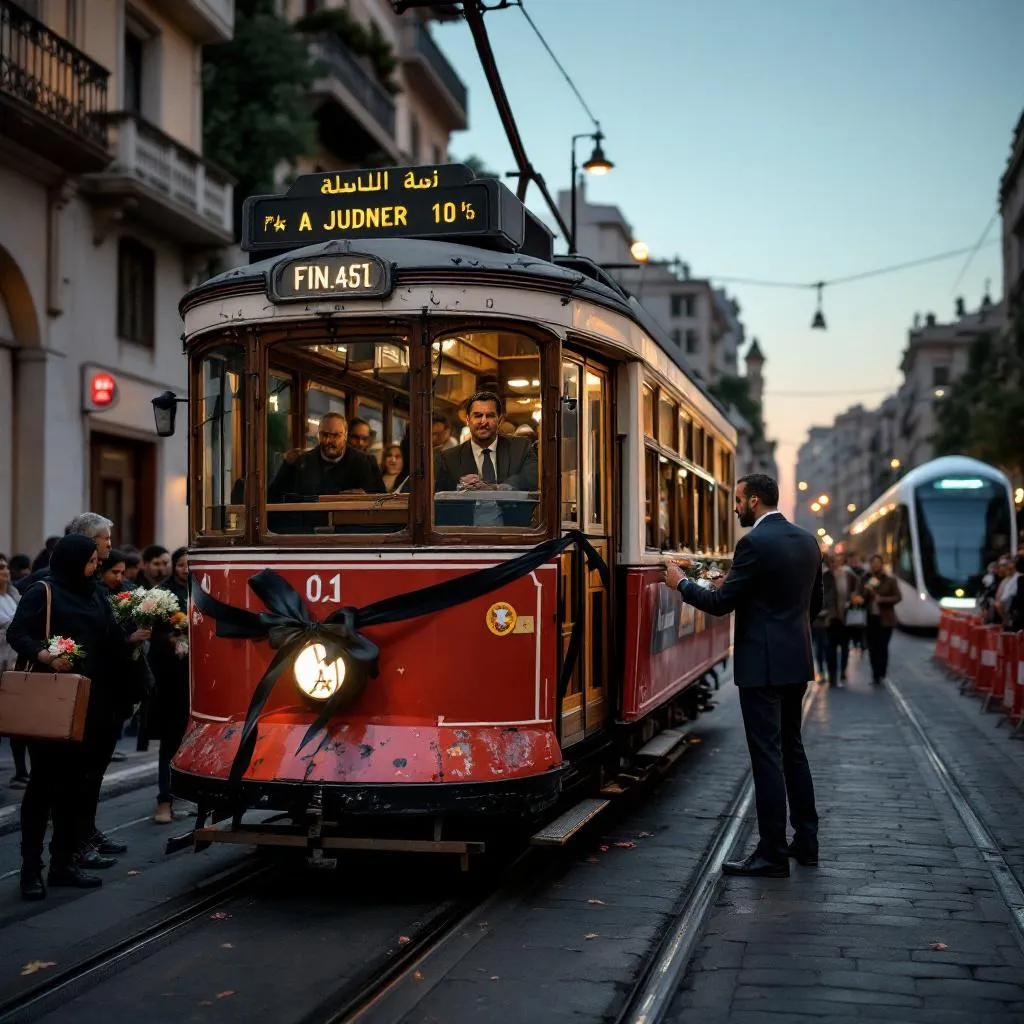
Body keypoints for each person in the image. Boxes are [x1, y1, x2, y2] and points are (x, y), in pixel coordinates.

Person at [666, 473, 822, 878]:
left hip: (762, 666)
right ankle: (807, 840)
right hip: (796, 661)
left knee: (767, 756)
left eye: (737, 500)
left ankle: (771, 851)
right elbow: (813, 603)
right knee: (793, 749)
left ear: (753, 501)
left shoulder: (752, 542)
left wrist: (681, 583)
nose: (734, 508)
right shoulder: (807, 540)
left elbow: (720, 604)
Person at [7, 535, 135, 897]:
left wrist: (133, 639)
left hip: (89, 703)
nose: (97, 567)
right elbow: (19, 634)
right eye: (92, 561)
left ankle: (63, 863)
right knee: (43, 787)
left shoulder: (94, 593)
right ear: (72, 561)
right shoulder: (43, 592)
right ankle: (31, 869)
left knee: (74, 787)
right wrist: (47, 656)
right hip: (54, 701)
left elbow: (108, 638)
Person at [148, 548, 190, 824]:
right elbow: (154, 632)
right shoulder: (162, 594)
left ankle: (187, 794)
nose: (186, 570)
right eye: (181, 565)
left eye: (190, 565)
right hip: (173, 677)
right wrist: (173, 641)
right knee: (170, 740)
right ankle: (164, 799)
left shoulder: (207, 586)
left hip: (200, 678)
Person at [434, 391, 538, 493]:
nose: (483, 421)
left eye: (490, 416)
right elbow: (440, 497)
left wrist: (496, 489)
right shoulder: (448, 459)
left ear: (500, 420)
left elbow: (530, 479)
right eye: (478, 415)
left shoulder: (521, 448)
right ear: (467, 420)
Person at [268, 412, 385, 501]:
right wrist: (286, 466)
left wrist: (366, 499)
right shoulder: (302, 461)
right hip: (308, 529)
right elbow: (273, 497)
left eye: (335, 435)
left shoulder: (366, 463)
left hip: (350, 529)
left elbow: (382, 502)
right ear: (318, 434)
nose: (329, 440)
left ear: (345, 436)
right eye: (324, 434)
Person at [19, 514, 114, 593]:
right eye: (107, 538)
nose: (109, 545)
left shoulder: (96, 577)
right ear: (91, 539)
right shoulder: (48, 580)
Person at [0, 554, 30, 788]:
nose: (4, 572)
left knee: (17, 720)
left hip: (14, 664)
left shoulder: (13, 595)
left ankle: (20, 771)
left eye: (5, 567)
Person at [863, 554, 902, 684]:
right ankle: (875, 674)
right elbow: (859, 595)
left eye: (878, 563)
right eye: (873, 563)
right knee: (872, 647)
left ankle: (882, 671)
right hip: (870, 618)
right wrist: (864, 594)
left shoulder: (890, 580)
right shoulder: (865, 578)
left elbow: (898, 597)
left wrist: (883, 600)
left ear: (882, 564)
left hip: (885, 619)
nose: (875, 565)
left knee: (883, 646)